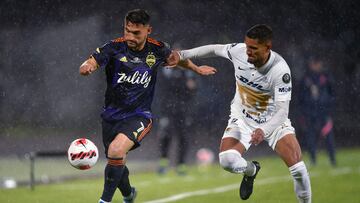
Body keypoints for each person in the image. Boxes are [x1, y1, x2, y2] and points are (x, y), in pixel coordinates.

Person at [79, 9, 216, 203]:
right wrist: (87, 66)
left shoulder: (157, 49)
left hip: (139, 115)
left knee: (116, 151)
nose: (130, 37)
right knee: (116, 159)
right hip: (110, 116)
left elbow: (176, 59)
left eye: (136, 33)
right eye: (127, 31)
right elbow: (92, 60)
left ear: (148, 30)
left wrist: (196, 68)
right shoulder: (113, 47)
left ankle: (104, 201)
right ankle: (128, 195)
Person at [171, 24, 312, 202]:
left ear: (267, 47)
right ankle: (251, 170)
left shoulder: (280, 70)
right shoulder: (239, 51)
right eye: (247, 46)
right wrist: (183, 54)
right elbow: (215, 49)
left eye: (253, 48)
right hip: (243, 119)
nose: (248, 52)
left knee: (298, 170)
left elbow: (283, 111)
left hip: (273, 121)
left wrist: (264, 130)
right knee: (227, 160)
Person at [156, 68, 197, 175]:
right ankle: (163, 163)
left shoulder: (187, 72)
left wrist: (189, 83)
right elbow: (161, 88)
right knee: (165, 135)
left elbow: (193, 89)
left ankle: (181, 165)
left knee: (183, 137)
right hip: (168, 110)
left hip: (183, 111)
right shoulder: (165, 70)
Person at [298, 57, 336, 166]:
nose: (315, 66)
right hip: (310, 112)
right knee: (310, 137)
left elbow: (332, 94)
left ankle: (332, 159)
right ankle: (313, 159)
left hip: (324, 112)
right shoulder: (306, 78)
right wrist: (303, 112)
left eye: (317, 63)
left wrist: (329, 109)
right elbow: (301, 97)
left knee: (328, 136)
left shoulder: (326, 77)